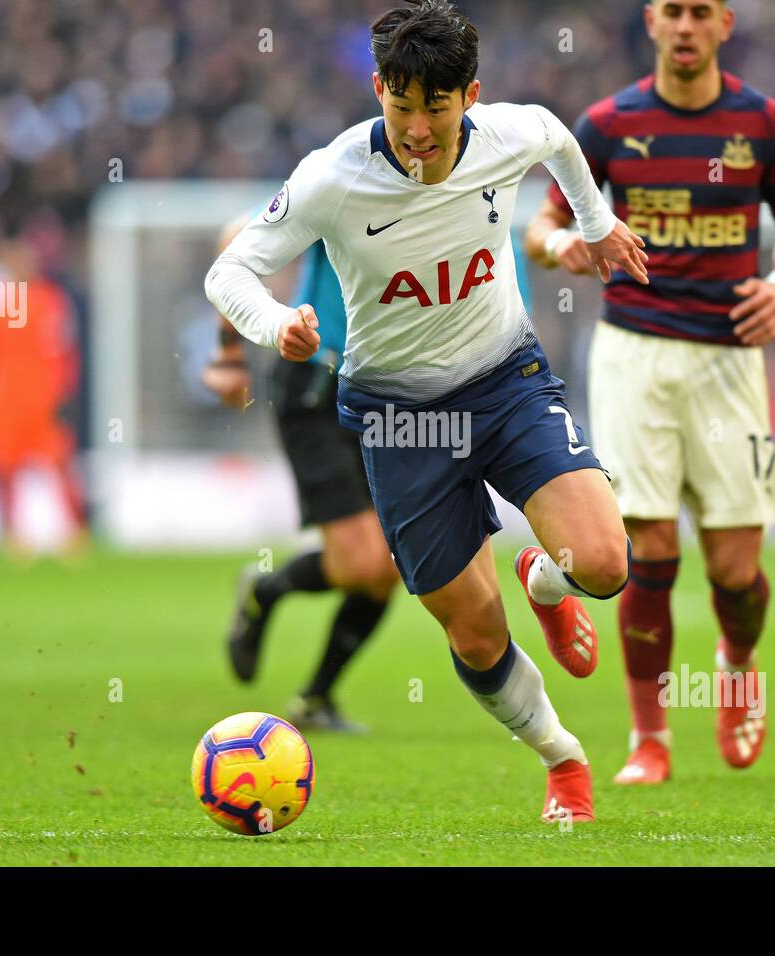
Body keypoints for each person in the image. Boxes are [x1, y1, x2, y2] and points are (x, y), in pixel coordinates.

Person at [206, 0, 650, 823]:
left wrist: (598, 223)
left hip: (505, 382)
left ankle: (546, 583)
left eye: (434, 109)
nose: (415, 128)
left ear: (469, 97)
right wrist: (276, 327)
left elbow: (556, 133)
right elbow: (229, 272)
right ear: (378, 88)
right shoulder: (333, 175)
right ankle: (565, 760)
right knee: (476, 637)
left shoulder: (506, 135)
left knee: (605, 562)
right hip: (397, 418)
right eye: (400, 104)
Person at [525, 0, 775, 785]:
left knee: (734, 572)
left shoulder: (766, 124)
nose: (685, 27)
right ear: (650, 22)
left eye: (700, 12)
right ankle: (648, 739)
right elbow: (538, 225)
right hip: (633, 356)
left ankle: (738, 660)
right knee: (647, 551)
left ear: (724, 24)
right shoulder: (608, 123)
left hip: (729, 362)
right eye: (671, 12)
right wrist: (564, 245)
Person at [208, 211, 539, 733]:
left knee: (390, 564)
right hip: (319, 386)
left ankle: (314, 698)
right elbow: (237, 240)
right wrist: (230, 350)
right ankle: (266, 592)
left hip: (402, 402)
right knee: (366, 564)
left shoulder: (480, 211)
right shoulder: (347, 185)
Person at [0, 239, 88, 551]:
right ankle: (12, 536)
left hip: (42, 401)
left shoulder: (51, 301)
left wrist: (65, 392)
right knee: (4, 469)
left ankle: (76, 533)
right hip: (2, 403)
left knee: (59, 463)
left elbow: (65, 352)